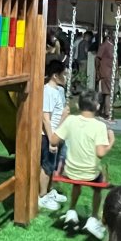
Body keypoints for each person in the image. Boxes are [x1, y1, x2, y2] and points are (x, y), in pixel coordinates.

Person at [49, 91, 115, 239]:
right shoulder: (99, 126)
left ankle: (71, 210)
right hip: (90, 174)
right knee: (99, 184)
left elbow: (53, 141)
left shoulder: (70, 120)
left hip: (70, 171)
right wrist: (111, 142)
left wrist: (63, 119)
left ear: (78, 105)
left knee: (77, 182)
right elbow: (100, 153)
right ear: (97, 107)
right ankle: (93, 218)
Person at [39, 59, 70, 210]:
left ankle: (49, 190)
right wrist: (52, 139)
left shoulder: (60, 90)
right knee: (47, 165)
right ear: (55, 76)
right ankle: (42, 196)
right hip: (49, 135)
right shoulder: (47, 92)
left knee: (54, 164)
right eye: (64, 74)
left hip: (59, 133)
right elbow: (46, 118)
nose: (66, 77)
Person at [95, 30, 115, 119]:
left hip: (110, 72)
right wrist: (97, 72)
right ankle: (107, 113)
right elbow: (97, 59)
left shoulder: (112, 46)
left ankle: (101, 111)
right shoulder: (105, 46)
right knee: (108, 93)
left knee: (105, 93)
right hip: (105, 72)